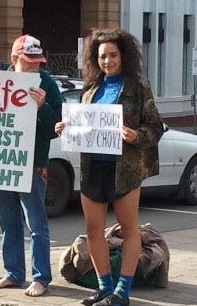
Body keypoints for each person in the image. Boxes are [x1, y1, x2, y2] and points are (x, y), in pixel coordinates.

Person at [55, 29, 163, 306]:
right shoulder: (90, 88)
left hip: (125, 169)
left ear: (123, 56)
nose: (107, 61)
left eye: (112, 55)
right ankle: (104, 287)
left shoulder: (138, 87)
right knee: (93, 231)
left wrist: (136, 135)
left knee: (129, 231)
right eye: (102, 56)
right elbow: (82, 125)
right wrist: (65, 128)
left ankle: (122, 292)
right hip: (93, 168)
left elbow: (155, 126)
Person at [0, 34, 62, 296]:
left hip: (32, 164)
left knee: (37, 224)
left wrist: (43, 107)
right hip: (3, 161)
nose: (35, 67)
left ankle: (40, 277)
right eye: (29, 62)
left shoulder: (48, 85)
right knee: (7, 220)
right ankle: (14, 273)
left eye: (38, 62)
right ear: (14, 59)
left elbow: (57, 128)